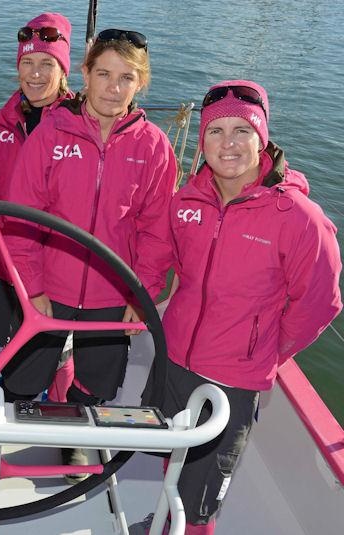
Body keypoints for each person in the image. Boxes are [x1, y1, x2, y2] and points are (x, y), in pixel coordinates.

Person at [130, 80, 342, 535]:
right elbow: (159, 258)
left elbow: (320, 304)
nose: (227, 144)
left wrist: (265, 351)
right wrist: (141, 298)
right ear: (202, 139)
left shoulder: (301, 219)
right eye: (215, 132)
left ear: (262, 137)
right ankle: (165, 520)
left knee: (203, 494)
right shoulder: (186, 198)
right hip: (174, 357)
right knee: (172, 454)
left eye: (241, 131)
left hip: (234, 378)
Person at [2, 29, 177, 474]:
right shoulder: (49, 132)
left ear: (141, 83)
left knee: (97, 380)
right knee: (23, 375)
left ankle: (74, 432)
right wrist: (32, 287)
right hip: (48, 287)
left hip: (111, 295)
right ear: (84, 74)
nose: (113, 88)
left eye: (126, 78)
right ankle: (9, 430)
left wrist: (141, 295)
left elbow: (157, 232)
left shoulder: (155, 146)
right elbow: (22, 218)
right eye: (103, 74)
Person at [0, 12, 76, 403]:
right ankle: (12, 415)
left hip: (58, 267)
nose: (35, 74)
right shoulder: (5, 121)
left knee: (58, 348)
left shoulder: (80, 124)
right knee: (12, 349)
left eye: (47, 64)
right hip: (12, 261)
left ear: (64, 69)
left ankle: (61, 421)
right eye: (27, 62)